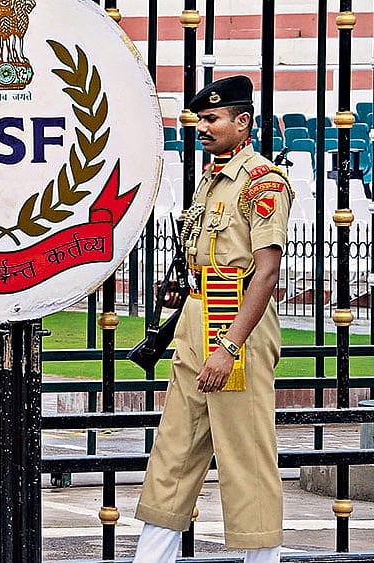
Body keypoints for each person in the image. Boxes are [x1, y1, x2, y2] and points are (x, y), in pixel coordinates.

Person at [133, 76, 293, 562]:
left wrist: (229, 347)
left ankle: (262, 559)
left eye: (211, 119)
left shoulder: (263, 182)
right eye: (199, 119)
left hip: (237, 316)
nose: (201, 127)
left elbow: (265, 275)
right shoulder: (212, 177)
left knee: (245, 452)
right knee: (175, 451)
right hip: (201, 311)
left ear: (242, 123)